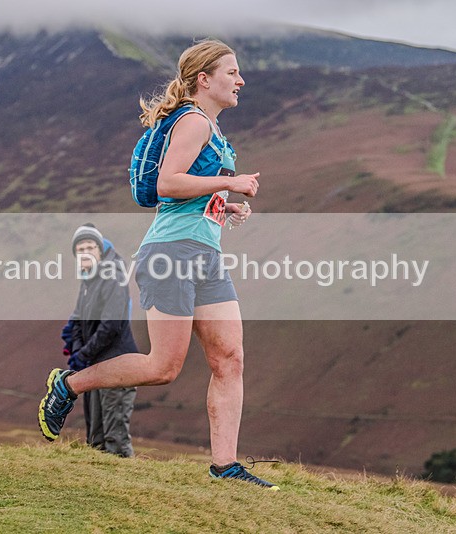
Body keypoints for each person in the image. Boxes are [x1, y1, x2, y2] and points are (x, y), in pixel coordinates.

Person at [39, 39, 278, 489]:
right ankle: (68, 385)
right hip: (171, 254)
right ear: (204, 79)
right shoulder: (191, 120)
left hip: (205, 254)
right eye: (232, 72)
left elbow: (186, 193)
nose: (241, 80)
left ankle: (225, 466)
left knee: (230, 358)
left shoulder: (212, 127)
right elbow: (168, 184)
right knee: (162, 367)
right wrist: (231, 181)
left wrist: (223, 206)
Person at [63, 224, 138, 458]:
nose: (85, 252)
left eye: (90, 247)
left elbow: (111, 325)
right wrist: (77, 352)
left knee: (114, 437)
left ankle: (129, 488)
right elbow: (76, 320)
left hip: (117, 364)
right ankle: (102, 489)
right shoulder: (89, 280)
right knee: (95, 438)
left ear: (100, 250)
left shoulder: (112, 278)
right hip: (97, 365)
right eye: (80, 249)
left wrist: (83, 354)